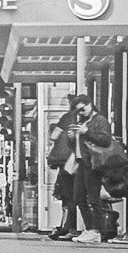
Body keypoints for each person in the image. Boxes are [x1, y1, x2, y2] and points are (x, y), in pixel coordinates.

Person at [77, 109, 128, 241]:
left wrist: (86, 132)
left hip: (94, 163)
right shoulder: (84, 122)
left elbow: (105, 140)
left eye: (82, 109)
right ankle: (89, 229)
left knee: (93, 197)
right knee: (79, 197)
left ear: (90, 106)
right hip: (82, 162)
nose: (81, 112)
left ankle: (96, 230)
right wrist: (73, 138)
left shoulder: (99, 121)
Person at [43, 99, 90, 241]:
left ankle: (70, 227)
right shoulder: (89, 120)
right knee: (82, 195)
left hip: (68, 163)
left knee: (69, 195)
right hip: (82, 160)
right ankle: (78, 227)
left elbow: (54, 136)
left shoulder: (67, 118)